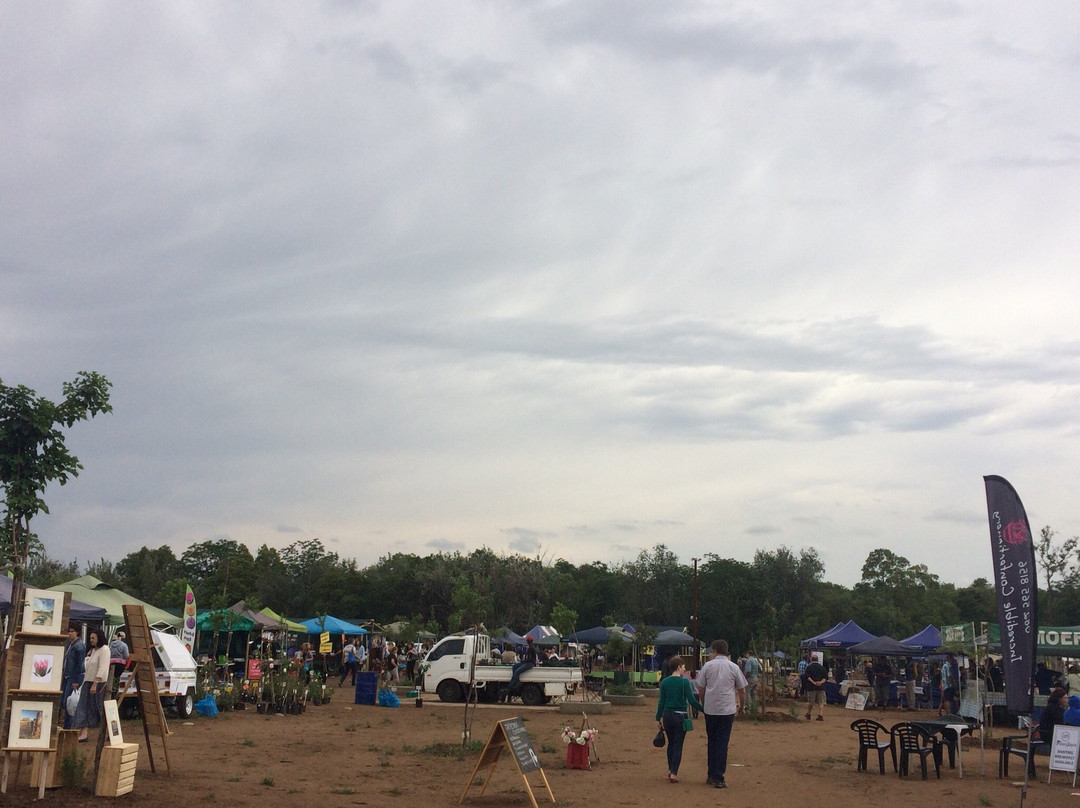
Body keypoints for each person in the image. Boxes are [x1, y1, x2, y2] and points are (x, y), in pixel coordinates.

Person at [697, 639, 747, 789]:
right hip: (727, 710)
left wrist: (704, 702)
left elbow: (700, 688)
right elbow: (742, 690)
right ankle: (718, 776)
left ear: (715, 651)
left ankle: (711, 773)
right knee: (722, 743)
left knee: (712, 741)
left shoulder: (707, 666)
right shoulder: (734, 667)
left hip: (711, 709)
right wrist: (742, 706)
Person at [655, 655, 704, 784]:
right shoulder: (684, 682)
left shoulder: (665, 682)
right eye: (683, 666)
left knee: (671, 744)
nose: (684, 669)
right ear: (678, 667)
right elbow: (692, 700)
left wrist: (657, 717)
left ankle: (670, 768)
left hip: (667, 715)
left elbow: (661, 701)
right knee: (678, 745)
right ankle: (674, 772)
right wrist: (704, 709)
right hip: (680, 716)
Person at [73, 628, 110, 742]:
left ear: (99, 638)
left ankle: (109, 731)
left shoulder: (105, 650)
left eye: (93, 638)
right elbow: (88, 667)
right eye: (90, 638)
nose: (91, 640)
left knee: (99, 708)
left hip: (98, 683)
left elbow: (103, 667)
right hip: (87, 682)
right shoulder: (94, 650)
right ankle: (83, 732)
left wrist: (95, 683)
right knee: (83, 706)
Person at [62, 623, 85, 730]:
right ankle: (67, 725)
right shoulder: (71, 644)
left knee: (69, 702)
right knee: (65, 701)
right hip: (67, 676)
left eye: (72, 631)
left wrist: (77, 680)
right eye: (69, 631)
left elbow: (80, 665)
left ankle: (68, 726)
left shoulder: (79, 646)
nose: (70, 634)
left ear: (77, 632)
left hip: (73, 677)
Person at [503, 635, 539, 702]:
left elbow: (530, 659)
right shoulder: (531, 647)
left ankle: (513, 685)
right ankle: (516, 680)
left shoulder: (531, 648)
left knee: (517, 672)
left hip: (530, 664)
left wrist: (523, 661)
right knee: (514, 667)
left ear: (528, 641)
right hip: (528, 662)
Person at [804, 655, 828, 721]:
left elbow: (807, 677)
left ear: (811, 660)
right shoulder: (822, 668)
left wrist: (813, 682)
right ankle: (820, 715)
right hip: (821, 687)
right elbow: (825, 677)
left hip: (811, 687)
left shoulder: (809, 667)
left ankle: (808, 714)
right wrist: (820, 682)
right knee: (821, 702)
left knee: (811, 702)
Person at [109, 630, 130, 698]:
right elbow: (126, 656)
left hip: (111, 662)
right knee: (117, 677)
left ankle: (110, 689)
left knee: (111, 677)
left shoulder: (111, 644)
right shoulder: (124, 645)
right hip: (120, 664)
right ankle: (115, 691)